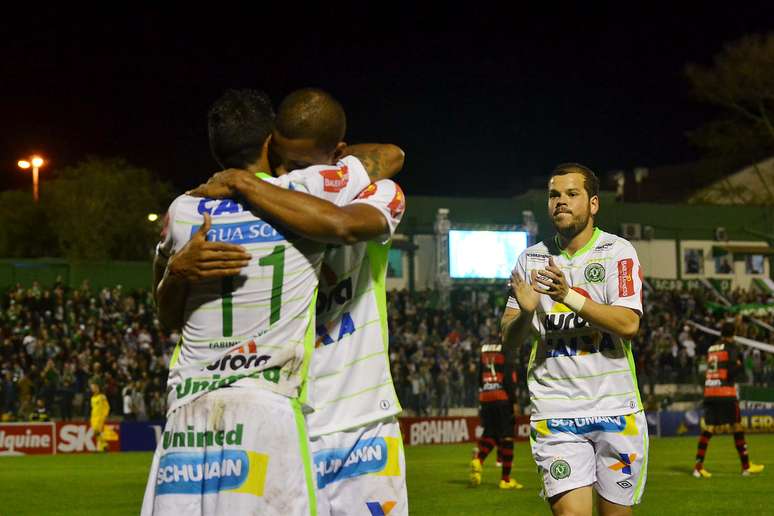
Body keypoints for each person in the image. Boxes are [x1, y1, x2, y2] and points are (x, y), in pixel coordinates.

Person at [142, 89, 397, 516]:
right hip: (268, 406)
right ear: (270, 142)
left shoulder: (183, 210)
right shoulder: (306, 192)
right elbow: (388, 158)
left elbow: (166, 316)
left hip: (186, 411)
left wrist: (176, 271)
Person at [501, 163, 648, 516]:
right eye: (554, 195)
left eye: (571, 194)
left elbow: (628, 324)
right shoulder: (530, 258)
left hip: (616, 409)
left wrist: (569, 296)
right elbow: (508, 341)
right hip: (556, 412)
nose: (561, 202)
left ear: (594, 204)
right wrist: (525, 313)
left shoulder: (617, 251)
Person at [693, 321, 764, 478]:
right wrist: (740, 364)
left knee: (709, 429)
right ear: (733, 334)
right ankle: (746, 467)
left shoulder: (712, 348)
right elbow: (731, 373)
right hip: (726, 393)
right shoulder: (732, 348)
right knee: (737, 427)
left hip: (710, 391)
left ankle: (698, 467)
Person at [469, 339, 522, 490]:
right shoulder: (507, 348)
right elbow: (507, 377)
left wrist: (486, 390)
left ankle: (478, 460)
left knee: (491, 434)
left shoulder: (485, 348)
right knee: (507, 437)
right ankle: (505, 479)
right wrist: (514, 400)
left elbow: (480, 375)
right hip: (502, 398)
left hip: (486, 397)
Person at [89, 381, 110, 452]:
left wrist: (105, 415)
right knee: (97, 433)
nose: (93, 389)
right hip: (93, 417)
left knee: (97, 431)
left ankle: (104, 445)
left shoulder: (102, 396)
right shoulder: (92, 398)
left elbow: (107, 407)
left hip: (99, 417)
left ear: (98, 388)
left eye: (95, 387)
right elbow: (93, 408)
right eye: (92, 388)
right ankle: (100, 448)